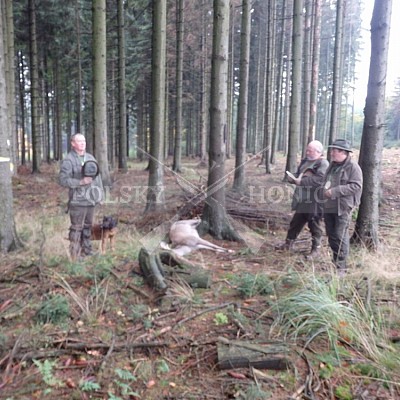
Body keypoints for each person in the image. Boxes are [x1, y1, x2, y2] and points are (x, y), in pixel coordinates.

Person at [275, 140, 329, 257]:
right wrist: (292, 177)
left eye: (310, 150)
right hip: (302, 198)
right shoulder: (306, 161)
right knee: (296, 222)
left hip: (315, 200)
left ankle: (316, 249)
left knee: (314, 224)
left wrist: (302, 181)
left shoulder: (323, 164)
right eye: (307, 150)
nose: (307, 152)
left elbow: (320, 180)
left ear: (318, 152)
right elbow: (299, 173)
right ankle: (288, 244)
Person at [59, 133, 104, 261]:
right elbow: (62, 180)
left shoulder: (90, 158)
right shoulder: (69, 160)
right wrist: (79, 182)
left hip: (91, 199)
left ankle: (87, 250)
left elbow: (98, 178)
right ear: (73, 143)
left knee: (88, 226)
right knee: (76, 228)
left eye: (84, 141)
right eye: (79, 141)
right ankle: (75, 254)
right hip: (77, 200)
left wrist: (100, 195)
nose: (83, 143)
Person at [322, 139, 363, 272]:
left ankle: (341, 266)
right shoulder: (332, 165)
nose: (332, 153)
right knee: (331, 234)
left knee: (340, 235)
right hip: (329, 205)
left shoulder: (353, 167)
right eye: (332, 150)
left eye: (335, 150)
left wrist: (335, 191)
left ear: (343, 152)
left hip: (343, 207)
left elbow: (356, 186)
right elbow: (326, 180)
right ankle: (335, 260)